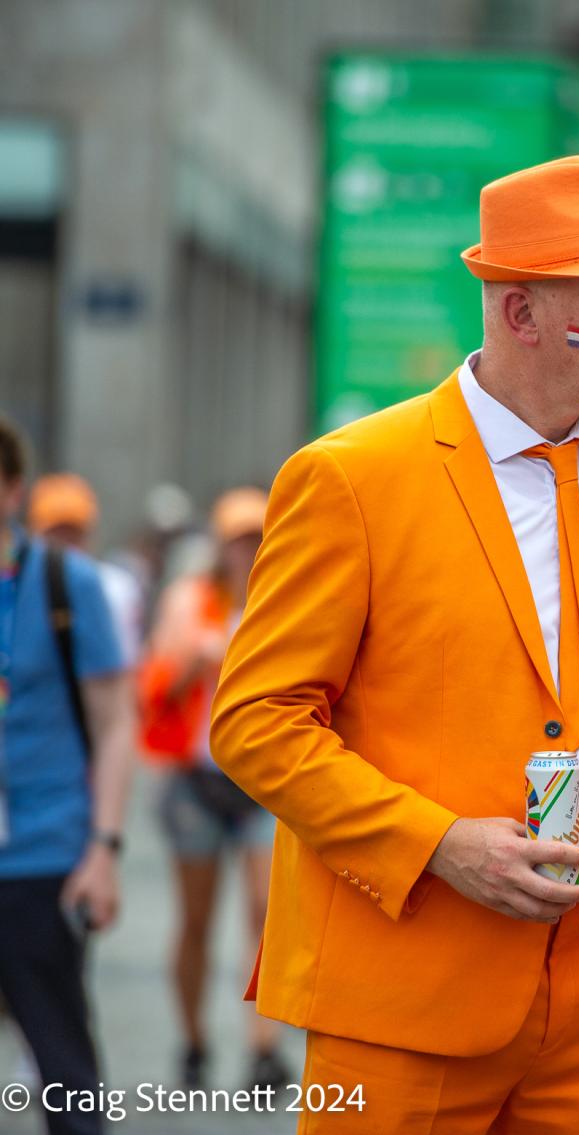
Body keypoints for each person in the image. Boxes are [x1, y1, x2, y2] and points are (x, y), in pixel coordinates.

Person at [209, 154, 579, 1134]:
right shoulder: (354, 478)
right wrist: (436, 844)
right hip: (408, 984)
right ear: (521, 313)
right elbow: (253, 722)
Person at [0, 417, 136, 1135]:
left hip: (44, 854)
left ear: (13, 490)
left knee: (63, 1074)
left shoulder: (63, 583)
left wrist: (104, 848)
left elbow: (116, 723)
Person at [137, 487, 286, 1090]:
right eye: (239, 540)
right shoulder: (189, 602)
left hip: (265, 781)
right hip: (198, 778)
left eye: (257, 537)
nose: (248, 550)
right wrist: (199, 662)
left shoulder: (283, 596)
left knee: (266, 913)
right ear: (220, 546)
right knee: (196, 920)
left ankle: (263, 1047)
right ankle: (194, 1041)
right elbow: (152, 693)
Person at [28, 473, 145, 664]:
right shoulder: (17, 587)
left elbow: (126, 665)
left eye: (73, 534)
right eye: (56, 535)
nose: (65, 546)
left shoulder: (117, 589)